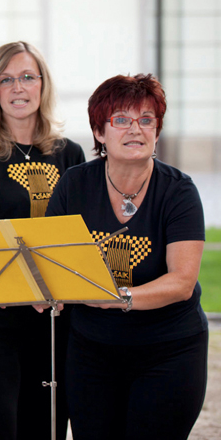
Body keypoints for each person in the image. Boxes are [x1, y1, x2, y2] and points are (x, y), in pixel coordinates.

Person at [46, 74, 207, 439]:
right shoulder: (74, 184)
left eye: (146, 119)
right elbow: (53, 260)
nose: (135, 129)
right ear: (100, 133)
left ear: (156, 131)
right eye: (121, 119)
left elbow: (182, 282)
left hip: (169, 350)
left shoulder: (179, 191)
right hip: (92, 350)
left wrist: (117, 299)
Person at [0, 41, 85, 439]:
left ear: (43, 85)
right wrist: (20, 288)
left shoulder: (69, 154)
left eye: (27, 77)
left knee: (44, 427)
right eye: (6, 79)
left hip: (52, 319)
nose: (18, 87)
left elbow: (79, 235)